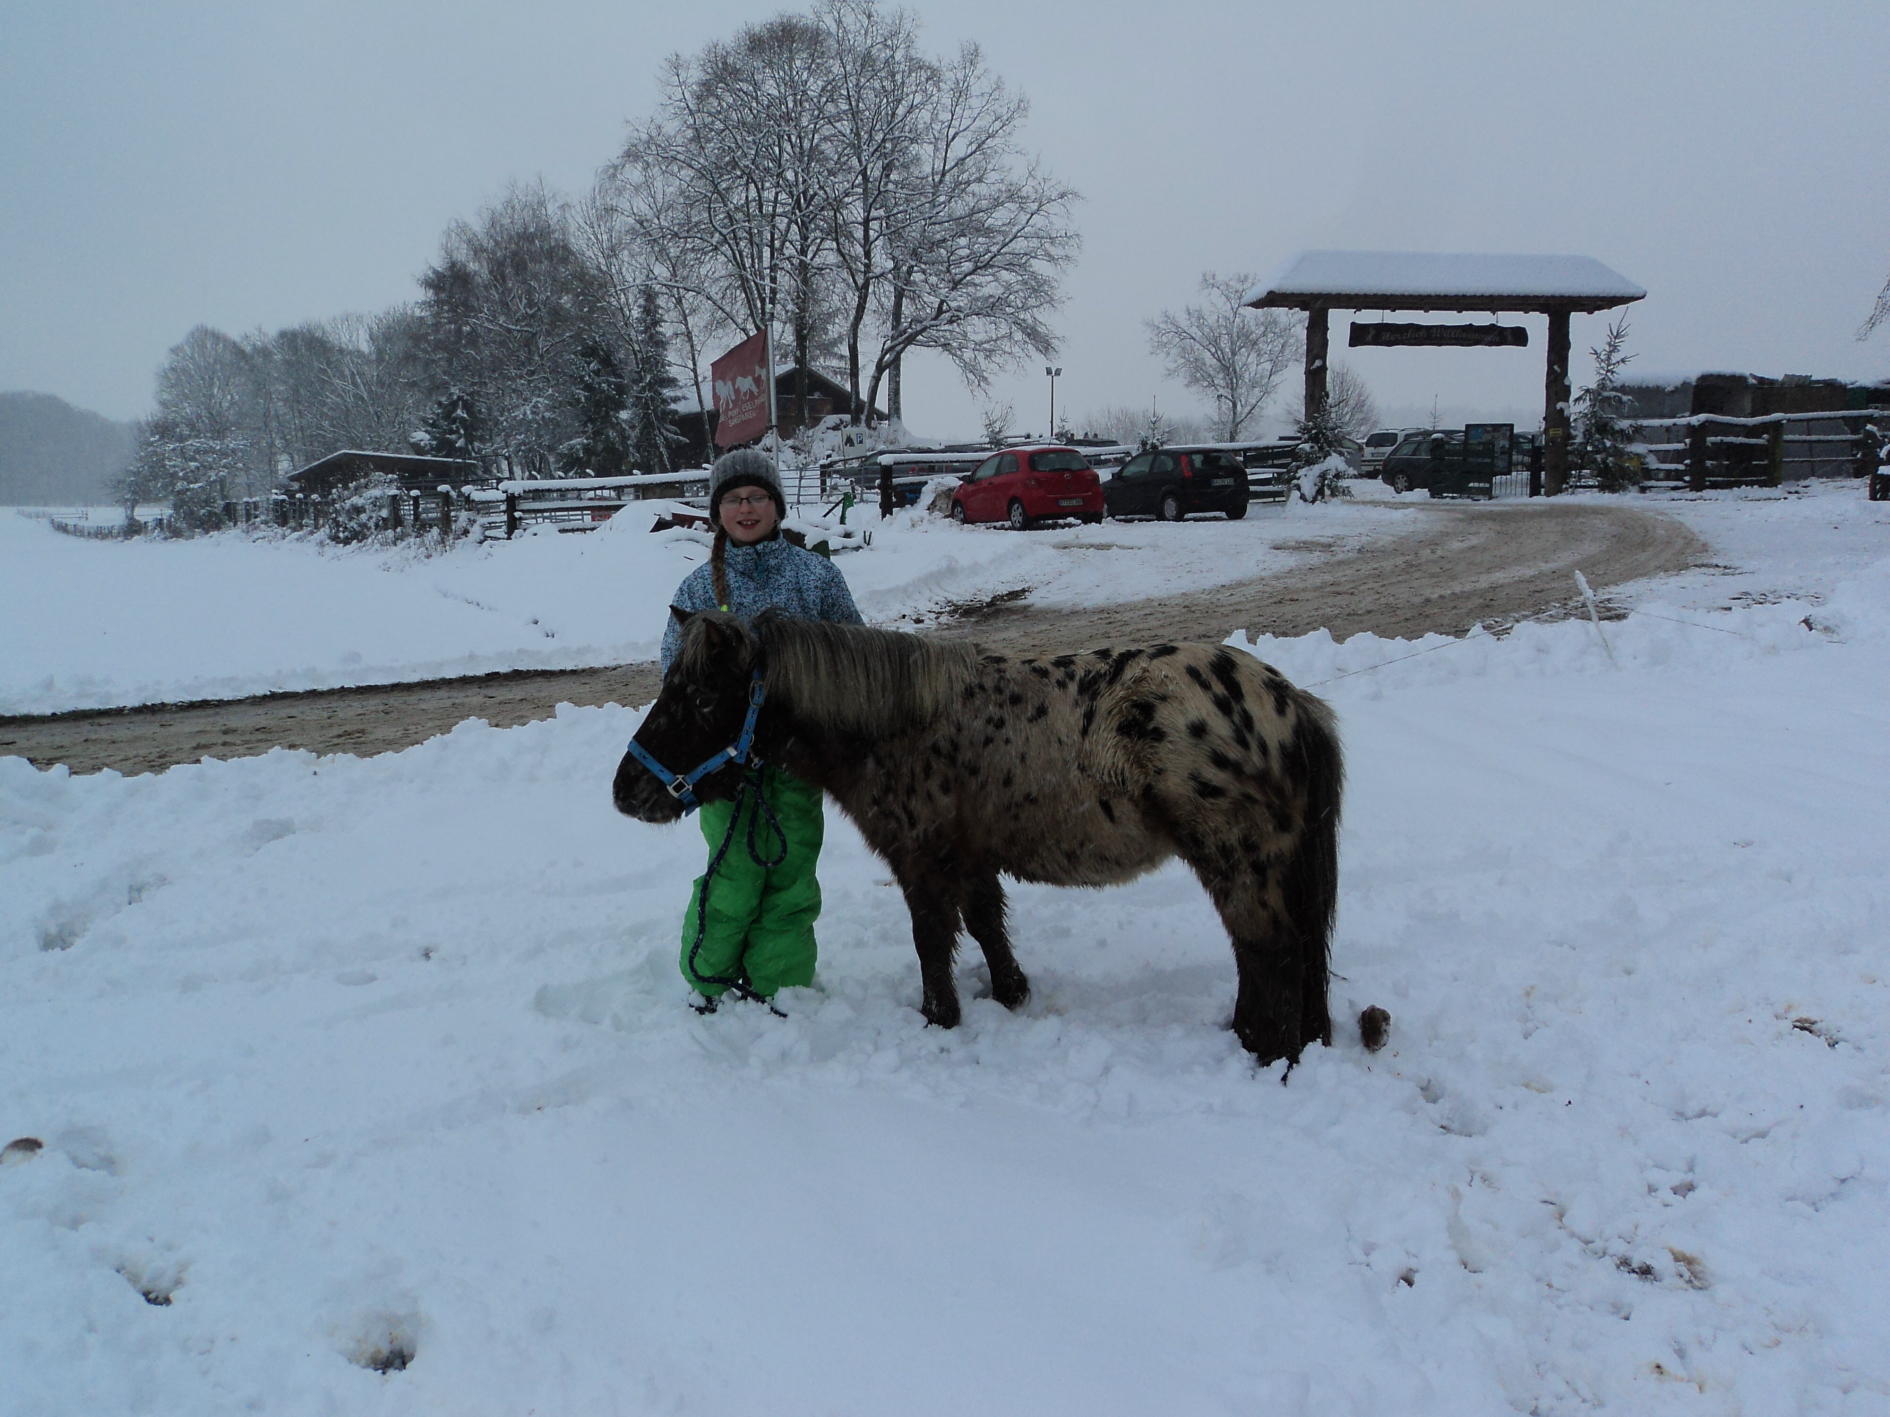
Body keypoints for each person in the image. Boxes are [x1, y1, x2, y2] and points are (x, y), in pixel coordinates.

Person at [659, 447, 864, 1010]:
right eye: (733, 498)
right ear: (717, 511)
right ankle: (710, 978)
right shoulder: (698, 591)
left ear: (776, 505)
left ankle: (781, 985)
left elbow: (857, 660)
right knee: (731, 877)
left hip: (799, 762)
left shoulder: (817, 577)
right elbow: (673, 680)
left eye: (756, 497)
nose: (745, 508)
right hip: (726, 771)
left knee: (792, 877)